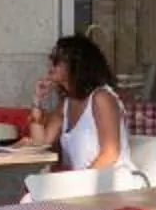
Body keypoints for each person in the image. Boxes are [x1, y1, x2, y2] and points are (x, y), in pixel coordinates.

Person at [23, 35, 126, 178]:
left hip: (110, 183)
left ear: (77, 64)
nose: (50, 64)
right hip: (83, 184)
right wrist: (37, 101)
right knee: (32, 192)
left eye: (57, 60)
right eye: (51, 58)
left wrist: (77, 183)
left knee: (34, 196)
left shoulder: (101, 98)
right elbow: (40, 144)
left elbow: (110, 154)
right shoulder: (66, 104)